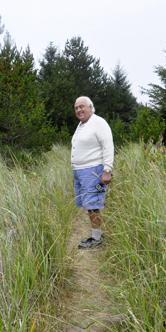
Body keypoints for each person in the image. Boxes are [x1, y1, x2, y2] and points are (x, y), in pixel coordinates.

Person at [71, 96, 114, 249]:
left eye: (82, 106)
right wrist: (75, 174)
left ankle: (97, 239)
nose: (78, 110)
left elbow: (108, 146)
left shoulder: (98, 122)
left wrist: (107, 170)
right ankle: (97, 235)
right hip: (81, 172)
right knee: (88, 204)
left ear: (90, 107)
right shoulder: (81, 125)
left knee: (93, 205)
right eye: (76, 108)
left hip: (93, 171)